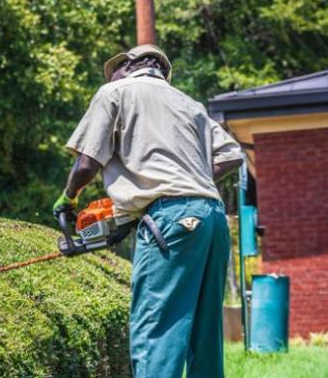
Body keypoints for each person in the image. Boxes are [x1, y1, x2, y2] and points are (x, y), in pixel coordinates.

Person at [53, 44, 243, 378]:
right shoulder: (190, 104)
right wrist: (188, 181)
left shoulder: (115, 92)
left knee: (156, 330)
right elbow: (231, 155)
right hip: (213, 216)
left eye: (115, 68)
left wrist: (68, 198)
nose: (111, 74)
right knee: (205, 334)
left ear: (129, 66)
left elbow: (87, 163)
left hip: (171, 221)